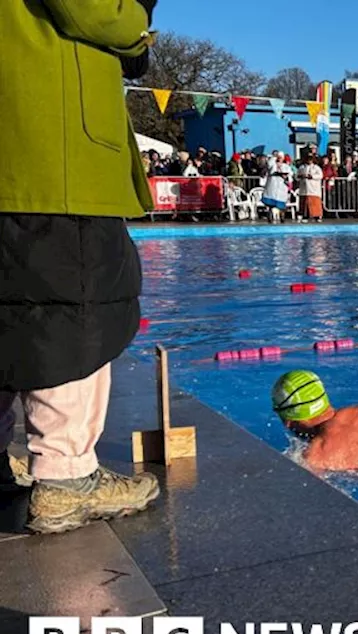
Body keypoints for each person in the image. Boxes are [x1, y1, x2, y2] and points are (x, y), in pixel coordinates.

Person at [1, 0, 161, 534]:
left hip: (16, 139)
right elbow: (93, 9)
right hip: (54, 144)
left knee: (11, 308)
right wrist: (137, 21)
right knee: (74, 306)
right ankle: (67, 476)